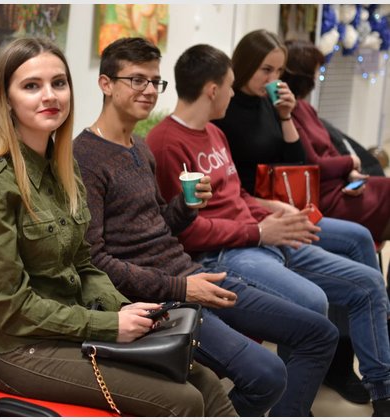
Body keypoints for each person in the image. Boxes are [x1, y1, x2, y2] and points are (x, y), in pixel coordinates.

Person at [0, 37, 235, 417]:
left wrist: (129, 311)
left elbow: (83, 264)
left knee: (204, 380)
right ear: (6, 99)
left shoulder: (63, 167)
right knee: (182, 400)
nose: (50, 95)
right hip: (19, 348)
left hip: (69, 325)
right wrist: (108, 325)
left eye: (59, 83)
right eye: (31, 86)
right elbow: (10, 310)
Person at [73, 36, 338, 417]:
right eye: (137, 80)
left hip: (191, 275)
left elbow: (159, 224)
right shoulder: (85, 157)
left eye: (155, 81)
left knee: (320, 333)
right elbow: (95, 261)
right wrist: (181, 288)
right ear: (106, 84)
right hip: (157, 298)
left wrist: (186, 207)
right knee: (266, 374)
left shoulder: (139, 147)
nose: (149, 90)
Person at [146, 40, 390, 416]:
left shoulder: (214, 133)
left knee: (368, 283)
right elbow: (185, 231)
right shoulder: (165, 144)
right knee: (313, 300)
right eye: (230, 86)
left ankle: (383, 394)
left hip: (257, 235)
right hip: (225, 254)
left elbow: (237, 192)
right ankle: (292, 406)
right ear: (212, 90)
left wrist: (272, 211)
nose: (233, 93)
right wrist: (260, 232)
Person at [214, 29, 388, 405]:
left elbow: (298, 163)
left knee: (359, 240)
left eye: (279, 71)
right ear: (245, 65)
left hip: (289, 204)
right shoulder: (224, 111)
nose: (274, 79)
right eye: (266, 69)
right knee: (336, 276)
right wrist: (270, 210)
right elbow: (231, 188)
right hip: (262, 212)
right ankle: (327, 367)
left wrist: (286, 117)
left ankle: (348, 360)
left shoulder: (271, 103)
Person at [281, 39, 390, 244]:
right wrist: (351, 162)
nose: (317, 77)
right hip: (325, 198)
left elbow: (331, 150)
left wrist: (351, 174)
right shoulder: (286, 115)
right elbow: (314, 164)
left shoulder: (306, 108)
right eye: (315, 71)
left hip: (342, 185)